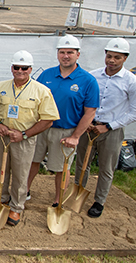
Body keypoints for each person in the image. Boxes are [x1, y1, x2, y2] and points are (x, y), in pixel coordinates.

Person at [0, 50, 59, 226]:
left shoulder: (41, 91)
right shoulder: (0, 88)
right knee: (1, 170)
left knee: (20, 174)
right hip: (3, 137)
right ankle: (1, 199)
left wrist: (25, 134)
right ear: (11, 68)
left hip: (24, 139)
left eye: (24, 68)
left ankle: (16, 207)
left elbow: (48, 120)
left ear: (30, 69)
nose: (20, 71)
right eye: (17, 67)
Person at [74, 38, 136, 218]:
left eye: (117, 57)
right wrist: (86, 121)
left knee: (106, 168)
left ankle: (99, 201)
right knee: (82, 164)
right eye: (109, 56)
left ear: (125, 58)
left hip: (111, 131)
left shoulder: (133, 82)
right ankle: (77, 193)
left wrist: (109, 126)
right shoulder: (93, 76)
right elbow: (82, 100)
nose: (112, 60)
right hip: (88, 128)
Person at [27, 35, 99, 207]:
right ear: (58, 54)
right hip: (42, 127)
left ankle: (58, 201)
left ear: (78, 55)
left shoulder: (88, 81)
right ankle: (24, 191)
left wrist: (75, 136)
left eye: (70, 52)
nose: (66, 56)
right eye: (62, 52)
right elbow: (34, 99)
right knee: (32, 161)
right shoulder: (47, 75)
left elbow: (90, 112)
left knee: (61, 168)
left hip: (65, 131)